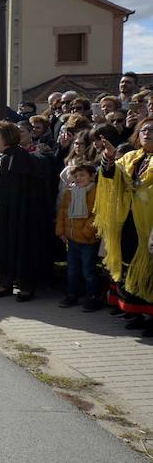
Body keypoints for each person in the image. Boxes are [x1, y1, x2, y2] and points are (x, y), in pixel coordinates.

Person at [0, 122, 43, 301]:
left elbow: (17, 183)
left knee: (18, 247)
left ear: (7, 137)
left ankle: (25, 287)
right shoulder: (1, 156)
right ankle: (5, 283)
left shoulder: (18, 155)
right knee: (1, 248)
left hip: (15, 212)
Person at [96, 117, 153, 336]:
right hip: (129, 220)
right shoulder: (131, 157)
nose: (147, 133)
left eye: (152, 130)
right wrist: (109, 159)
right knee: (130, 262)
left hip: (149, 222)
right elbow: (111, 176)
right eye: (144, 130)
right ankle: (137, 312)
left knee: (149, 267)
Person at [56, 164, 100, 311]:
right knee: (72, 269)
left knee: (88, 271)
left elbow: (96, 215)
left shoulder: (96, 192)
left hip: (88, 240)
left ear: (91, 176)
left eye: (82, 175)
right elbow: (62, 212)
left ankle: (92, 297)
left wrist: (86, 232)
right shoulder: (70, 192)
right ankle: (72, 295)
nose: (79, 178)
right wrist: (61, 231)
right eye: (76, 176)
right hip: (72, 239)